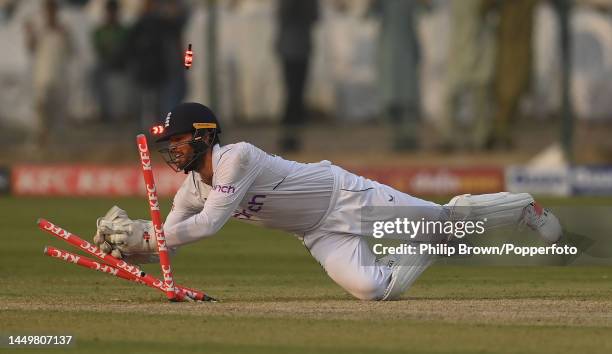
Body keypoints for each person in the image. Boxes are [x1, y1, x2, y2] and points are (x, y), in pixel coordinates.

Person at [93, 102, 563, 301]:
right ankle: (426, 241)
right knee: (376, 292)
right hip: (317, 233)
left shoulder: (238, 158)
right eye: (167, 145)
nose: (171, 151)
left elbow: (206, 228)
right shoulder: (190, 190)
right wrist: (127, 243)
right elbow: (170, 243)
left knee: (448, 221)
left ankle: (522, 207)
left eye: (176, 141)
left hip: (348, 196)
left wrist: (145, 236)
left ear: (204, 136)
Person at [24, 0, 72, 147]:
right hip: (42, 76)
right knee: (40, 109)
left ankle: (53, 141)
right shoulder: (40, 30)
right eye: (48, 10)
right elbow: (31, 48)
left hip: (59, 76)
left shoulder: (63, 30)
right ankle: (38, 139)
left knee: (55, 111)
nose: (50, 13)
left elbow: (70, 51)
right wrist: (30, 33)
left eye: (52, 10)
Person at [275, 0, 319, 152]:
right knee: (294, 92)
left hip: (294, 46)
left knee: (295, 92)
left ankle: (291, 134)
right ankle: (290, 134)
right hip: (295, 46)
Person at [92, 0, 128, 123]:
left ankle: (124, 113)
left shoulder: (123, 30)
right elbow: (99, 47)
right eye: (109, 12)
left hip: (121, 66)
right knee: (95, 73)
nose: (111, 15)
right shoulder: (100, 31)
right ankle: (102, 111)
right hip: (106, 65)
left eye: (114, 12)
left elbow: (126, 48)